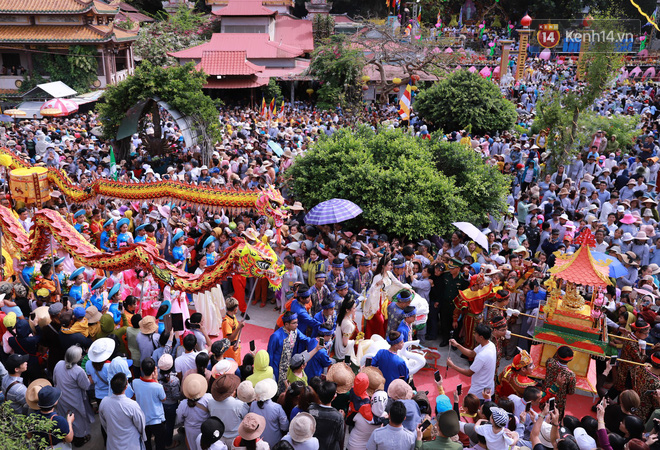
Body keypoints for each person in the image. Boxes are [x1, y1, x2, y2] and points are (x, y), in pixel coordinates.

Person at [267, 311, 318, 394]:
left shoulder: (295, 331)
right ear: (286, 324)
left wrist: (316, 342)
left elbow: (306, 339)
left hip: (289, 368)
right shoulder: (276, 336)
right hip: (277, 369)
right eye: (294, 323)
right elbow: (270, 355)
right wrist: (271, 372)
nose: (297, 325)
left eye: (297, 322)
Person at [53, 345, 95, 447]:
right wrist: (91, 379)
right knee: (78, 419)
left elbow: (54, 380)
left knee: (66, 417)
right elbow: (85, 386)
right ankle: (80, 438)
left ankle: (69, 435)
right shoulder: (78, 370)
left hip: (61, 398)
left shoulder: (59, 364)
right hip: (75, 399)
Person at [446, 323, 496, 400]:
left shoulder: (482, 356)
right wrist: (457, 345)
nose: (474, 335)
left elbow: (469, 373)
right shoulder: (490, 344)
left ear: (481, 337)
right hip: (488, 385)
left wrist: (452, 366)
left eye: (475, 334)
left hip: (479, 390)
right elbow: (472, 353)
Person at [99, 372, 147, 450]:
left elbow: (104, 424)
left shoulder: (104, 402)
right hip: (131, 444)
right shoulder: (132, 405)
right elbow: (141, 425)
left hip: (113, 444)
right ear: (126, 386)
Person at [452, 273, 493, 349]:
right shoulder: (465, 294)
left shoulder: (483, 290)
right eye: (481, 284)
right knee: (469, 336)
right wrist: (455, 320)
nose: (483, 285)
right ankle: (468, 353)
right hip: (469, 319)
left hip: (480, 317)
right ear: (475, 284)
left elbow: (493, 297)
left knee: (480, 336)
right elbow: (458, 309)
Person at [133, 358, 167, 450]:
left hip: (143, 419)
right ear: (153, 370)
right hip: (157, 420)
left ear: (141, 369)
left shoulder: (135, 382)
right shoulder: (158, 386)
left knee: (146, 443)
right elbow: (163, 398)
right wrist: (155, 379)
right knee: (160, 443)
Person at [209, 373, 249, 447]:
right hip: (236, 438)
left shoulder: (210, 402)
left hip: (219, 438)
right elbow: (246, 418)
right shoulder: (240, 404)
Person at [176, 373, 213, 450]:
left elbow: (179, 419)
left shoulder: (183, 404)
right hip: (206, 428)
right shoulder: (208, 398)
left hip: (191, 431)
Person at [250, 378, 289, 447]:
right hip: (274, 442)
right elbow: (284, 427)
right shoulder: (277, 408)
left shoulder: (253, 405)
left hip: (258, 442)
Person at [541, 345, 576, 420]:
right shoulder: (570, 375)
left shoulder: (550, 362)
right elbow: (571, 391)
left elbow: (555, 358)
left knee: (543, 413)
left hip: (546, 393)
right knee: (554, 417)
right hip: (559, 399)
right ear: (571, 359)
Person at [308, 380, 345, 450]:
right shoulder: (338, 417)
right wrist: (341, 417)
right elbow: (339, 437)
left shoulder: (312, 409)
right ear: (334, 397)